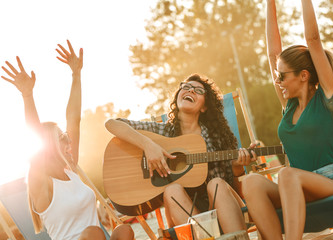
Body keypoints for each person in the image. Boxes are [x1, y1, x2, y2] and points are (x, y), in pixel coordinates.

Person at [240, 0, 333, 239]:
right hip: (296, 189)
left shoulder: (328, 98)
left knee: (286, 173)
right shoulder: (289, 105)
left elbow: (313, 40)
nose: (278, 81)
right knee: (251, 182)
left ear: (304, 76)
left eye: (283, 76)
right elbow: (273, 52)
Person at [1, 40, 134, 240]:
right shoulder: (42, 183)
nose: (68, 140)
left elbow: (74, 119)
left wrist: (76, 74)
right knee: (93, 233)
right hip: (90, 237)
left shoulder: (71, 171)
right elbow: (36, 138)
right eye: (62, 137)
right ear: (48, 147)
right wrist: (27, 95)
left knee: (124, 230)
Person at [105, 73, 250, 233]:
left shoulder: (217, 137)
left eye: (198, 90)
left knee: (216, 183)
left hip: (220, 207)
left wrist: (236, 168)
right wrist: (148, 145)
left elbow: (233, 188)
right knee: (172, 190)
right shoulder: (163, 132)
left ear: (204, 106)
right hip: (185, 217)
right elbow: (112, 124)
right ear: (177, 97)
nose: (191, 91)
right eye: (186, 87)